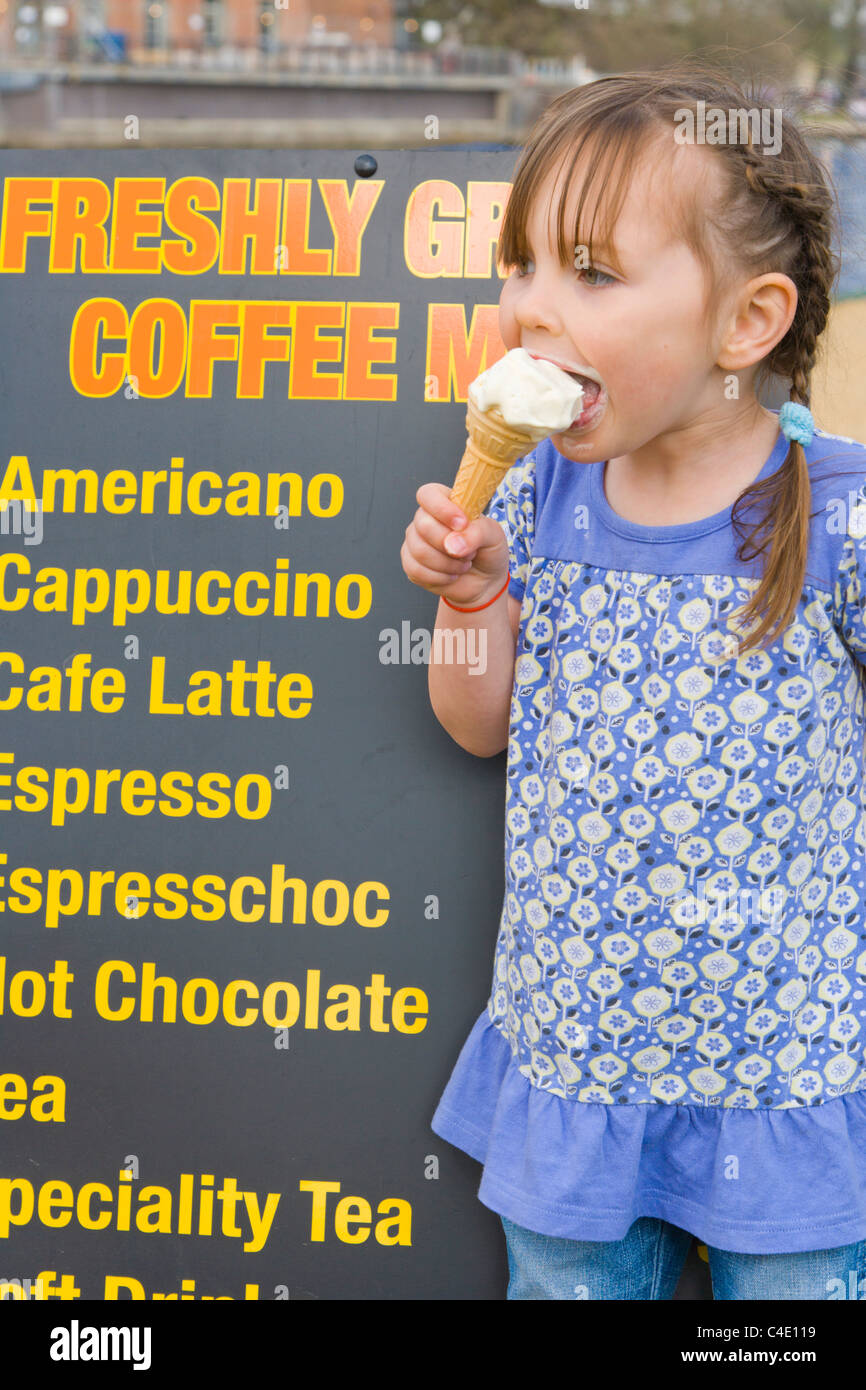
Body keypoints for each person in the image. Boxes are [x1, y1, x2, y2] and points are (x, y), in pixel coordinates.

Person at [399, 63, 866, 1300]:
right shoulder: (540, 496)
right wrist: (468, 601)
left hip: (784, 1080)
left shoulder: (836, 512)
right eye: (521, 264)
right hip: (576, 1069)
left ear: (744, 323)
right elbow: (475, 723)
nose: (530, 310)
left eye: (590, 273)